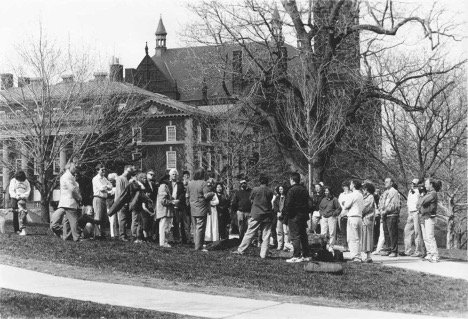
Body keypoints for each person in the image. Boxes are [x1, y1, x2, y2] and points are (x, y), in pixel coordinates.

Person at [232, 175, 274, 258]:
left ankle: (241, 250)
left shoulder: (255, 189)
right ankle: (264, 254)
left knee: (249, 232)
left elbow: (251, 199)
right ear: (267, 182)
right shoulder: (270, 191)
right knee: (266, 235)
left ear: (260, 182)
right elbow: (270, 199)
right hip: (267, 214)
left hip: (256, 214)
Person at [284, 172, 311, 263]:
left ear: (292, 179)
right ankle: (306, 255)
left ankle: (296, 255)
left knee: (295, 236)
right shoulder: (304, 189)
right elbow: (309, 203)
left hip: (294, 216)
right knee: (303, 235)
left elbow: (288, 204)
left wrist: (286, 215)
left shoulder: (291, 190)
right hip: (303, 215)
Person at [186, 168, 215, 250]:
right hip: (201, 209)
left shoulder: (190, 183)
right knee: (200, 228)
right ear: (202, 175)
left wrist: (189, 204)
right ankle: (199, 247)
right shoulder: (203, 183)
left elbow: (187, 195)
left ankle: (197, 244)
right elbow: (206, 196)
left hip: (193, 208)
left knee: (195, 228)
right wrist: (212, 193)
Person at [54, 162, 82, 242]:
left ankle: (66, 237)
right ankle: (76, 237)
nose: (75, 170)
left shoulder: (70, 176)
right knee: (73, 221)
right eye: (74, 168)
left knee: (67, 221)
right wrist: (79, 197)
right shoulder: (67, 176)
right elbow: (72, 189)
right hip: (69, 202)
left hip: (67, 202)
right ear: (69, 168)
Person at [109, 165, 136, 241]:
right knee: (122, 219)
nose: (129, 173)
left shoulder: (128, 179)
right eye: (128, 171)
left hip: (127, 202)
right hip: (121, 202)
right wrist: (122, 202)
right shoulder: (120, 178)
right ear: (125, 170)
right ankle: (122, 236)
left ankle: (124, 234)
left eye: (130, 172)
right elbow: (120, 192)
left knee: (125, 219)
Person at [419, 178, 442, 263]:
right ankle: (429, 254)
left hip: (429, 216)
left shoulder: (433, 193)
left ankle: (435, 255)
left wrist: (421, 197)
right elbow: (419, 203)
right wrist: (421, 199)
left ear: (431, 185)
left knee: (430, 236)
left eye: (426, 184)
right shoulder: (428, 193)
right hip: (424, 216)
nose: (425, 185)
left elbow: (422, 201)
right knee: (425, 237)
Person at [379, 178, 401, 257]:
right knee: (386, 233)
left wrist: (386, 211)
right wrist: (381, 210)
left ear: (391, 183)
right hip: (385, 215)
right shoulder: (385, 192)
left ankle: (394, 251)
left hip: (391, 215)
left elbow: (394, 205)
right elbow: (381, 202)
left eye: (387, 182)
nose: (385, 183)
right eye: (385, 182)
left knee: (392, 234)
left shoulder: (394, 192)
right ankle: (388, 249)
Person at [343, 179, 364, 262]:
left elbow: (346, 205)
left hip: (352, 217)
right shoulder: (361, 195)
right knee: (358, 238)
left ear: (354, 185)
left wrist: (344, 203)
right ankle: (358, 255)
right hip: (359, 217)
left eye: (351, 184)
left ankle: (355, 256)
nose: (350, 185)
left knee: (352, 238)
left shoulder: (352, 194)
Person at [404, 179, 425, 257]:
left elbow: (421, 201)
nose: (412, 184)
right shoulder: (410, 191)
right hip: (410, 213)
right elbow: (408, 202)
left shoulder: (420, 191)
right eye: (412, 183)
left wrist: (419, 211)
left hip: (416, 213)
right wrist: (408, 211)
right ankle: (408, 251)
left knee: (417, 232)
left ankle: (418, 251)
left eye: (414, 183)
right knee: (407, 231)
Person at [92, 164, 112, 239]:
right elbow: (101, 188)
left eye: (104, 169)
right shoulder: (95, 179)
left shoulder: (104, 178)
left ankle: (102, 233)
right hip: (98, 198)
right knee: (98, 217)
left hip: (104, 199)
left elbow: (110, 186)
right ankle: (97, 234)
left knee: (104, 217)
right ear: (98, 170)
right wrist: (107, 187)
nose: (104, 171)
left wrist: (106, 186)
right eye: (102, 170)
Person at [318, 186, 341, 251]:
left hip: (331, 217)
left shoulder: (334, 199)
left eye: (327, 191)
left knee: (332, 232)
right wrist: (322, 214)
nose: (326, 192)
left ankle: (331, 246)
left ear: (330, 192)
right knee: (323, 233)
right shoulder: (323, 199)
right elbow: (320, 207)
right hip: (324, 217)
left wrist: (334, 214)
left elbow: (339, 208)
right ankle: (323, 246)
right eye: (325, 191)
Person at [169, 169, 189, 244]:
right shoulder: (168, 184)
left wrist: (179, 200)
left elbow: (183, 194)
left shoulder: (180, 184)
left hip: (179, 205)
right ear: (170, 175)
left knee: (181, 222)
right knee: (173, 222)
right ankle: (175, 238)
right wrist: (171, 200)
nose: (174, 175)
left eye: (175, 174)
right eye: (173, 174)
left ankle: (183, 239)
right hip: (170, 205)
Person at [8, 170, 31, 235]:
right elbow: (11, 190)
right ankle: (16, 229)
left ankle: (22, 229)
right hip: (15, 198)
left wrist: (23, 196)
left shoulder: (26, 181)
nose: (20, 181)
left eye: (21, 179)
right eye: (19, 179)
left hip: (22, 198)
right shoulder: (13, 181)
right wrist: (16, 196)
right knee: (15, 214)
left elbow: (28, 190)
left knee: (22, 213)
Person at [361, 182, 376, 263]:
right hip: (364, 219)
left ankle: (369, 256)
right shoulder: (365, 197)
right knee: (365, 236)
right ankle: (366, 255)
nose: (363, 190)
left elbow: (365, 207)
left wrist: (359, 212)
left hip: (368, 219)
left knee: (368, 236)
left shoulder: (370, 197)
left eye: (364, 188)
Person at [273, 186, 291, 251]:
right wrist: (277, 211)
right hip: (278, 216)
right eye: (280, 189)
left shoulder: (287, 197)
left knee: (286, 231)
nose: (281, 190)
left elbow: (288, 206)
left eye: (282, 189)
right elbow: (275, 205)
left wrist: (282, 213)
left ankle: (286, 246)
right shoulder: (277, 198)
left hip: (285, 216)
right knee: (279, 231)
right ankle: (279, 245)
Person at [143, 170, 158, 242]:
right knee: (145, 221)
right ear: (147, 174)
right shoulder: (144, 183)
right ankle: (145, 237)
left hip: (152, 204)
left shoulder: (154, 185)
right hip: (145, 204)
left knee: (151, 222)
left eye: (153, 175)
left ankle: (150, 236)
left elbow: (155, 196)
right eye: (151, 174)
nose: (152, 176)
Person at [205, 178, 220, 243]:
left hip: (213, 210)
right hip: (207, 210)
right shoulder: (205, 193)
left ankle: (214, 238)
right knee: (208, 224)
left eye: (210, 186)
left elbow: (217, 201)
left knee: (214, 223)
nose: (209, 187)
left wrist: (211, 203)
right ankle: (207, 238)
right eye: (208, 186)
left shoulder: (214, 193)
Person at [338, 181, 351, 251]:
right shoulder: (341, 195)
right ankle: (345, 245)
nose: (344, 188)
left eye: (345, 186)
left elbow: (349, 204)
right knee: (343, 231)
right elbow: (340, 204)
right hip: (342, 214)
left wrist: (344, 203)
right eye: (343, 186)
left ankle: (349, 245)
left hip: (349, 215)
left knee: (349, 231)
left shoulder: (351, 194)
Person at [107, 173, 118, 239]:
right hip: (109, 204)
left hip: (114, 204)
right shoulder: (108, 186)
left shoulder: (115, 187)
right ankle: (113, 234)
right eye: (109, 179)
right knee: (111, 220)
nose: (110, 181)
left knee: (114, 220)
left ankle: (114, 233)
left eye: (112, 180)